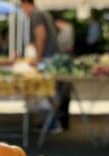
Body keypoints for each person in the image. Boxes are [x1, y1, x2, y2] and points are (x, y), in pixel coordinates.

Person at [21, 0, 70, 132]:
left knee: (49, 91)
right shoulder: (45, 13)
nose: (22, 10)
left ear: (25, 4)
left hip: (48, 59)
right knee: (54, 91)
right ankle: (55, 121)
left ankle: (53, 123)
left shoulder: (36, 15)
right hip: (53, 57)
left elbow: (41, 36)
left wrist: (38, 58)